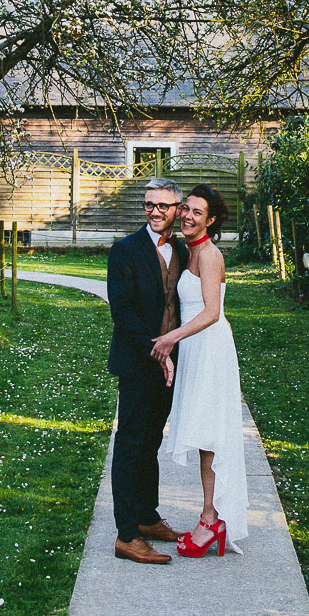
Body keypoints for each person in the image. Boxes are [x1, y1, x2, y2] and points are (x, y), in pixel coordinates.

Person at [151, 183, 248, 557]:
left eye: (197, 212)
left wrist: (170, 339)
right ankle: (210, 516)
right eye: (186, 209)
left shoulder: (209, 256)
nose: (189, 216)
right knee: (204, 436)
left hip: (209, 349)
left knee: (209, 437)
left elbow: (211, 312)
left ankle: (211, 519)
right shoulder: (185, 250)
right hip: (194, 347)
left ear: (211, 220)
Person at [104, 177, 188, 564]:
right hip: (139, 362)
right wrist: (158, 350)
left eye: (163, 206)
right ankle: (126, 535)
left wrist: (176, 350)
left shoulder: (183, 252)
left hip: (172, 362)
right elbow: (123, 313)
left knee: (151, 440)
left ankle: (147, 517)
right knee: (130, 444)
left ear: (178, 209)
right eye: (149, 205)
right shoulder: (125, 251)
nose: (155, 212)